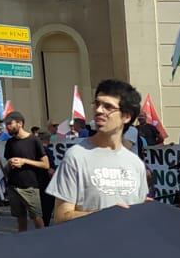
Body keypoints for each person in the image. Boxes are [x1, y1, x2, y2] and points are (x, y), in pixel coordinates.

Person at [47, 79, 150, 222]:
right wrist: (103, 214)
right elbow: (61, 216)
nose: (99, 110)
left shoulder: (135, 164)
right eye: (97, 104)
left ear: (126, 116)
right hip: (89, 243)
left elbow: (137, 216)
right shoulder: (76, 156)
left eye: (108, 107)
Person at [1, 112, 50, 230]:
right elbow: (6, 167)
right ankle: (23, 243)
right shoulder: (10, 142)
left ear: (20, 123)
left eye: (10, 124)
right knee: (20, 219)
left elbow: (45, 164)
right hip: (13, 186)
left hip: (30, 187)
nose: (7, 127)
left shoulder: (34, 140)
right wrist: (9, 164)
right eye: (6, 124)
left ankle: (44, 242)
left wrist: (24, 161)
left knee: (37, 218)